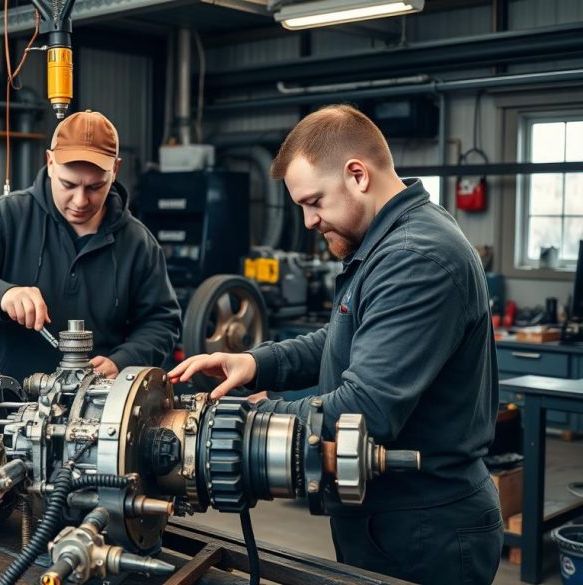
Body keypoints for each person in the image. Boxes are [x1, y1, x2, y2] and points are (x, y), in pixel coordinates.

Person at [169, 104, 502, 584]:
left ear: (357, 175)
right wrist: (254, 362)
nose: (307, 221)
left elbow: (366, 410)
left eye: (314, 202)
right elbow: (341, 338)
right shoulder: (388, 243)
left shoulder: (417, 258)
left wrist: (249, 417)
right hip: (384, 516)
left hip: (425, 529)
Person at [0, 110, 181, 381]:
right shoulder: (7, 217)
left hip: (100, 410)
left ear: (114, 170)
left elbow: (161, 322)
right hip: (8, 406)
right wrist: (0, 294)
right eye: (68, 184)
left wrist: (124, 360)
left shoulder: (138, 244)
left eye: (94, 187)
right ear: (50, 162)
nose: (80, 201)